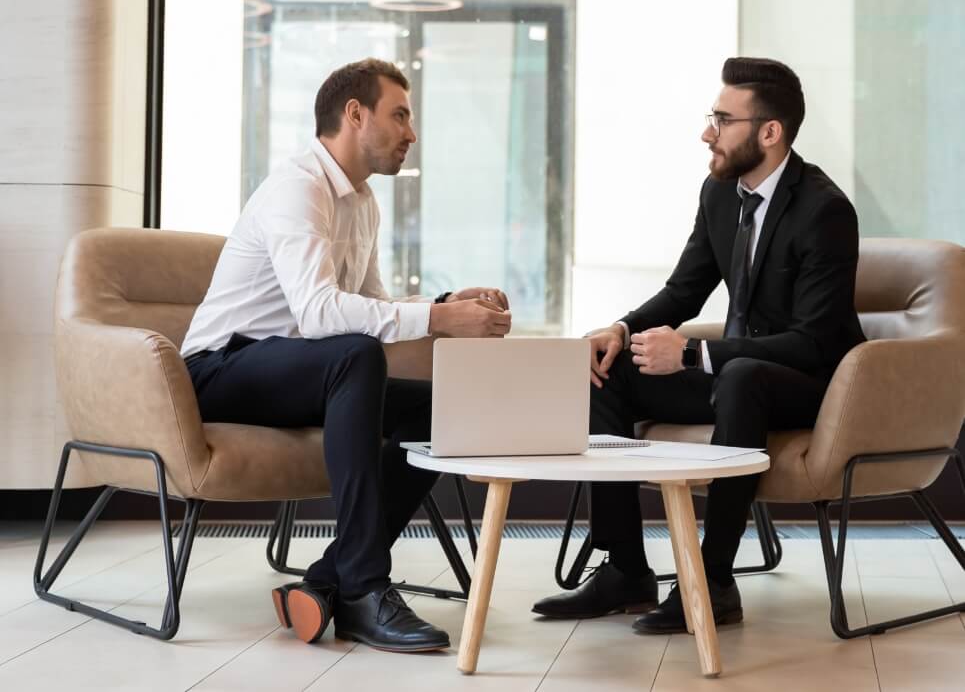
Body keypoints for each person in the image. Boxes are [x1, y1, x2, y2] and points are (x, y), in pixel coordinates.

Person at [181, 58, 512, 653]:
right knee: (354, 355)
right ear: (355, 114)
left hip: (301, 371)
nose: (412, 133)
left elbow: (369, 305)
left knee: (440, 413)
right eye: (401, 115)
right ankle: (364, 586)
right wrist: (439, 319)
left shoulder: (362, 202)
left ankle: (329, 580)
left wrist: (443, 303)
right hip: (220, 368)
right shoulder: (297, 188)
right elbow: (320, 315)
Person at [533, 56, 865, 633]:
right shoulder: (720, 195)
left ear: (769, 132)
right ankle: (625, 569)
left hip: (810, 385)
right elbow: (683, 291)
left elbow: (812, 343)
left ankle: (711, 581)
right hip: (737, 377)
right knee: (609, 370)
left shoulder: (825, 211)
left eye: (721, 119)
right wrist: (620, 328)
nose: (706, 132)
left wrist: (692, 354)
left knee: (741, 376)